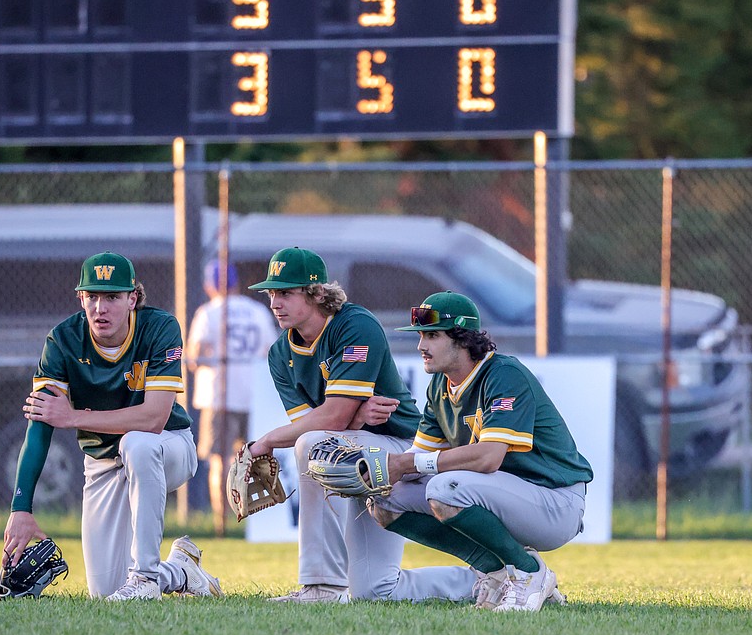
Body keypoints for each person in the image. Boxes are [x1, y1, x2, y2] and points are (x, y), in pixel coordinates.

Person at [246, 247, 477, 603]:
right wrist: (354, 415)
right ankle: (490, 580)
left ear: (317, 292)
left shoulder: (354, 324)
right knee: (374, 591)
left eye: (287, 292)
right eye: (272, 293)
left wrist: (265, 442)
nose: (275, 302)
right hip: (355, 457)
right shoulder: (280, 354)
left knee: (312, 447)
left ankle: (321, 585)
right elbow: (320, 424)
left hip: (403, 449)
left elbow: (327, 423)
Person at [1, 251, 223, 601]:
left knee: (138, 444)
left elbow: (154, 419)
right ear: (81, 298)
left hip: (168, 446)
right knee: (106, 591)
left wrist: (74, 417)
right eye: (92, 296)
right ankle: (180, 571)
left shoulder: (159, 327)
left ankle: (147, 579)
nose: (100, 308)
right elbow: (41, 425)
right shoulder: (63, 341)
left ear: (133, 298)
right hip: (103, 461)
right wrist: (21, 508)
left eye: (112, 297)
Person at [368, 291, 592, 612]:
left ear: (462, 338)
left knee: (444, 488)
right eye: (420, 336)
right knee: (385, 500)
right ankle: (495, 570)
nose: (421, 346)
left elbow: (488, 458)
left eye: (432, 335)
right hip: (505, 495)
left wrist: (410, 462)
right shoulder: (440, 386)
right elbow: (416, 461)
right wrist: (371, 473)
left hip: (554, 500)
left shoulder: (503, 374)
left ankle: (529, 573)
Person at [185, 259, 278, 535]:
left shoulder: (209, 312)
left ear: (209, 284)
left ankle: (222, 522)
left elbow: (194, 356)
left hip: (219, 395)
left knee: (220, 459)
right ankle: (260, 522)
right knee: (259, 457)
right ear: (236, 283)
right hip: (253, 393)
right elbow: (270, 352)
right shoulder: (257, 311)